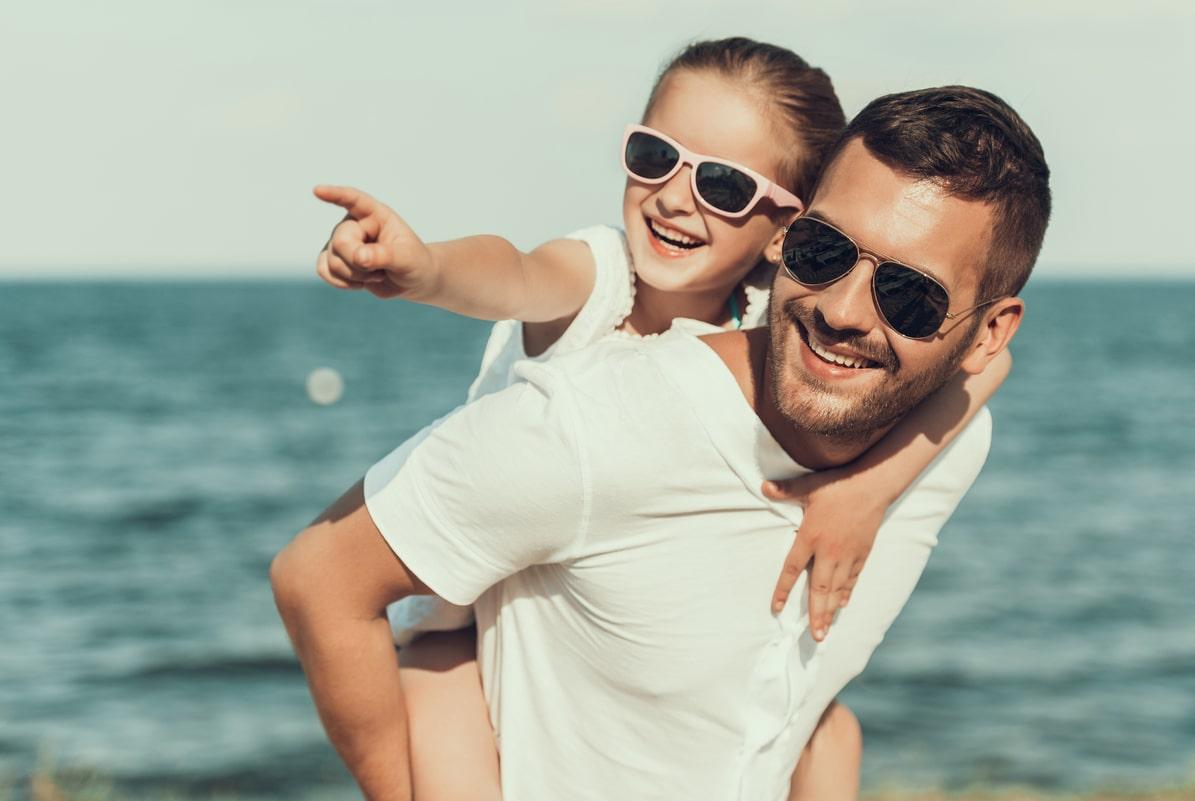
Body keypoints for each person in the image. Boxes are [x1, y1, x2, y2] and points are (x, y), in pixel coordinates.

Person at [271, 84, 1052, 801]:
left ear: (986, 332)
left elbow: (974, 394)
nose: (845, 310)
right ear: (789, 237)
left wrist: (869, 488)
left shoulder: (949, 441)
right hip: (448, 638)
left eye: (910, 296)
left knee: (829, 728)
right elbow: (319, 576)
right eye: (826, 251)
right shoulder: (596, 418)